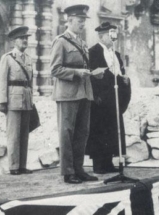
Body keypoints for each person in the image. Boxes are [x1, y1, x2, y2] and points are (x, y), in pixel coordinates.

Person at [50, 4, 100, 184]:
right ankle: (68, 172)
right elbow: (55, 69)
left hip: (84, 93)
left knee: (82, 133)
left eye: (84, 21)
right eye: (80, 21)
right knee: (67, 133)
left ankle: (79, 169)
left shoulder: (82, 43)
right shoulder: (61, 41)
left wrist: (94, 73)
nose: (82, 25)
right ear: (69, 21)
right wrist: (77, 73)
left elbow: (83, 66)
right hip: (68, 94)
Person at [86, 22, 130, 174]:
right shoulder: (93, 52)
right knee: (99, 131)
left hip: (114, 99)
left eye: (114, 34)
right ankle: (99, 164)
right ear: (101, 36)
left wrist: (124, 80)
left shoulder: (116, 54)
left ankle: (109, 162)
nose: (113, 38)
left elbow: (120, 72)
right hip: (100, 100)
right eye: (110, 34)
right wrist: (95, 95)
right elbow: (90, 75)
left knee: (112, 130)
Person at [0, 26, 33, 175]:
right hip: (13, 100)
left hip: (26, 99)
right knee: (14, 134)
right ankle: (13, 166)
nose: (25, 41)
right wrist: (2, 101)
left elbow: (31, 82)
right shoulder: (7, 58)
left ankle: (22, 165)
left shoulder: (29, 59)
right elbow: (1, 80)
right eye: (21, 38)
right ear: (14, 41)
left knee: (24, 133)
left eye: (26, 38)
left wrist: (32, 99)